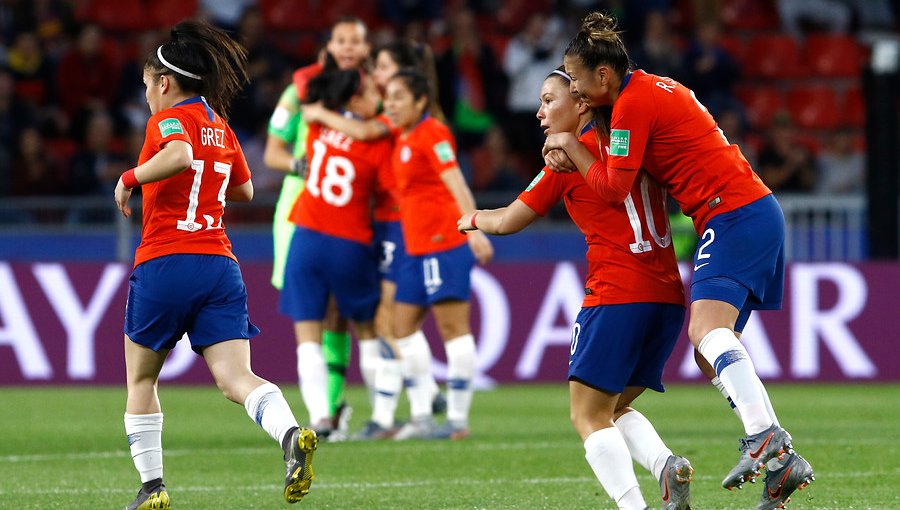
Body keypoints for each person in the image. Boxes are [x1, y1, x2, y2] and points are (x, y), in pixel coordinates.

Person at [542, 12, 814, 509]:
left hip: (731, 213)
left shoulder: (630, 106)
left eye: (577, 85)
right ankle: (780, 466)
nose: (575, 96)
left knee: (704, 332)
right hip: (750, 210)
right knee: (708, 350)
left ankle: (767, 437)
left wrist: (568, 145)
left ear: (603, 77)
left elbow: (611, 186)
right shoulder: (656, 87)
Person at [460, 66, 692, 510]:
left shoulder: (568, 160)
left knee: (586, 414)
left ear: (582, 102)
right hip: (666, 298)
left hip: (617, 293)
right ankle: (665, 466)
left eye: (549, 100)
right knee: (610, 408)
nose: (540, 112)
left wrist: (469, 219)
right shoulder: (633, 141)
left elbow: (509, 220)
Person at [113, 21, 317, 509]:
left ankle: (152, 488)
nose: (147, 98)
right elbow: (244, 190)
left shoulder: (168, 121)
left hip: (165, 260)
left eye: (147, 87)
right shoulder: (220, 125)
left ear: (164, 82)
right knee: (235, 379)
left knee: (142, 379)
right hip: (219, 265)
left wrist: (130, 178)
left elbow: (180, 156)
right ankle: (290, 435)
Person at [300, 40, 447, 439]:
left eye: (381, 67)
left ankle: (413, 411)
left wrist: (319, 114)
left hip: (399, 224)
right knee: (382, 322)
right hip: (380, 225)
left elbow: (364, 130)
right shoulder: (395, 115)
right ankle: (402, 409)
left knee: (390, 321)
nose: (373, 76)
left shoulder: (388, 117)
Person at [263, 16, 370, 439]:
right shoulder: (299, 90)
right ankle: (324, 411)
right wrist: (302, 165)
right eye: (340, 40)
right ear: (328, 46)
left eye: (355, 41)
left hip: (350, 207)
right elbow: (272, 152)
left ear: (365, 49)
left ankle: (333, 406)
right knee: (310, 310)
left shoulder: (371, 93)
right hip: (300, 207)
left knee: (338, 313)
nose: (347, 48)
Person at [279, 67, 395, 440]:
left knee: (307, 334)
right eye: (374, 92)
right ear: (355, 100)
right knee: (366, 329)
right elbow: (386, 190)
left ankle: (320, 419)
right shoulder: (378, 139)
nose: (381, 99)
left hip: (306, 237)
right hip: (350, 239)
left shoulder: (316, 128)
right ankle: (381, 415)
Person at [382, 69, 493, 440]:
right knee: (402, 328)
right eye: (388, 96)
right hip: (414, 249)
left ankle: (457, 421)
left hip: (443, 243)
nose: (390, 104)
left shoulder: (433, 133)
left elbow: (456, 181)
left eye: (398, 97)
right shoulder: (403, 135)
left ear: (420, 101)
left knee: (452, 329)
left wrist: (473, 228)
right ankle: (421, 416)